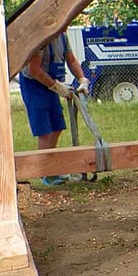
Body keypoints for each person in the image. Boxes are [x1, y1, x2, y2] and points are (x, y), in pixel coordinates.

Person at [18, 32, 90, 186]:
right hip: (34, 85)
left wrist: (82, 79)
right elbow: (34, 70)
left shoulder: (62, 37)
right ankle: (45, 173)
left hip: (50, 84)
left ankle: (51, 169)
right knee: (45, 131)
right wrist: (56, 86)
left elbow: (71, 60)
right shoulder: (42, 38)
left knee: (57, 126)